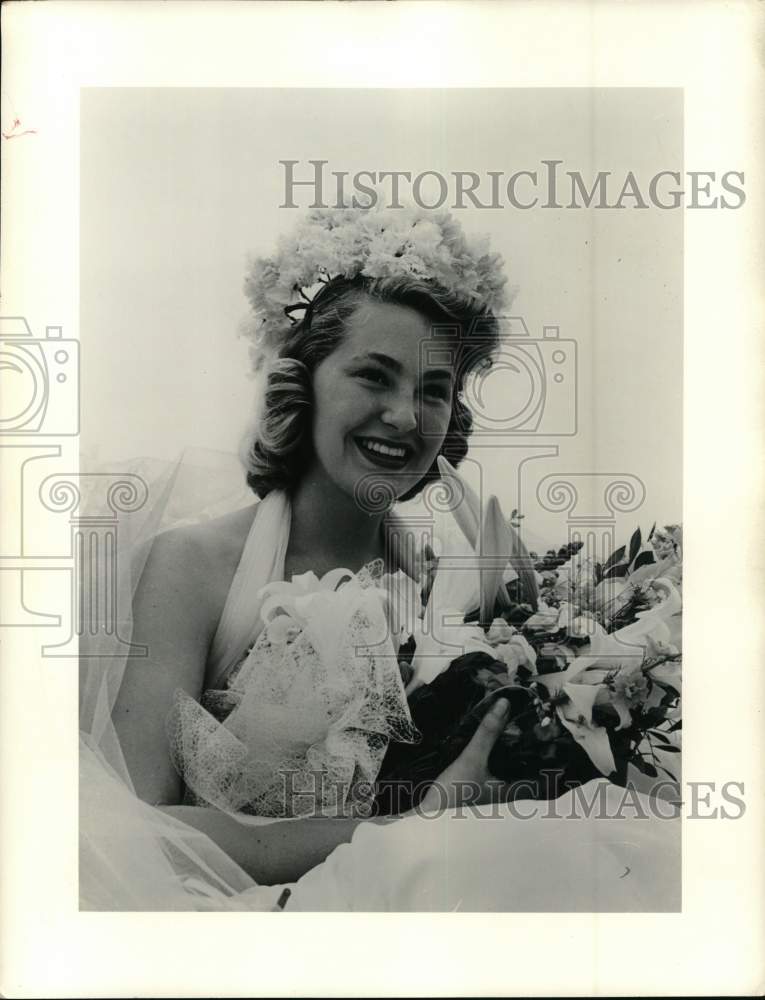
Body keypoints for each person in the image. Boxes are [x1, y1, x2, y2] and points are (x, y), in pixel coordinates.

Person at [79, 205, 679, 911]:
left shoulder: (457, 595)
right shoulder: (192, 567)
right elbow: (132, 833)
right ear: (302, 381)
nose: (405, 416)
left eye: (432, 390)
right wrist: (408, 831)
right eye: (373, 376)